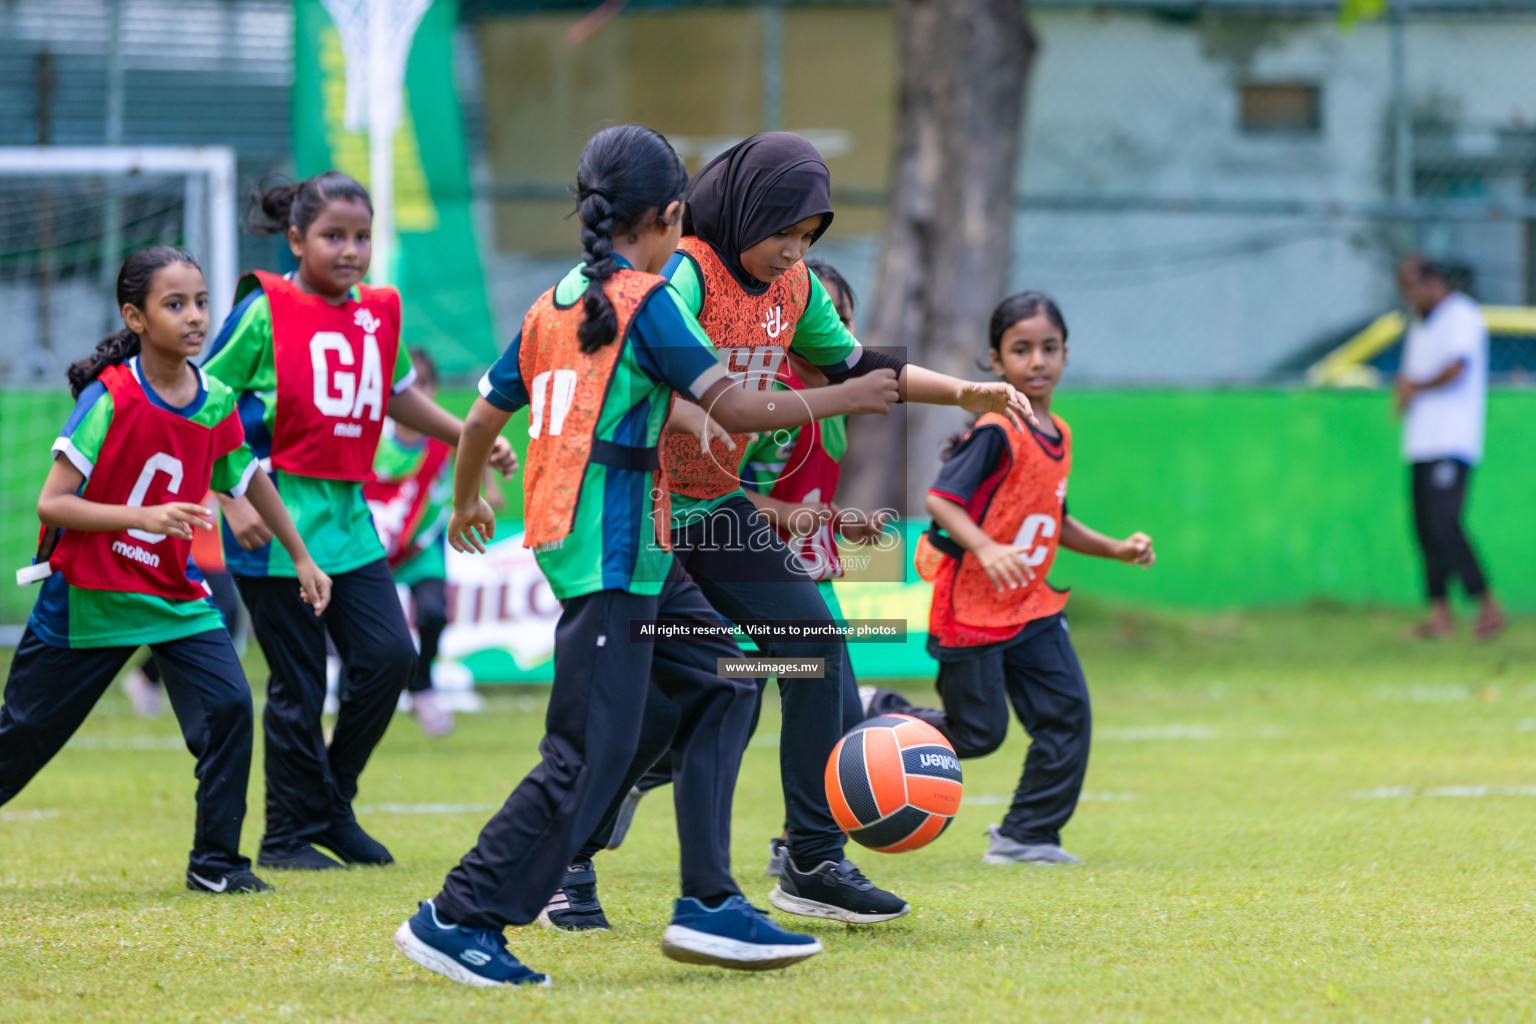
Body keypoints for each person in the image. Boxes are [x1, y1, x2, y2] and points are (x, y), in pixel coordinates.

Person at [391, 124, 900, 987]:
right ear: (671, 215)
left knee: (722, 684)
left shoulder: (552, 300)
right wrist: (849, 392)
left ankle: (708, 902)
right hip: (615, 547)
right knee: (586, 753)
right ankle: (458, 916)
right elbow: (734, 410)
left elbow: (482, 415)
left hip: (618, 543)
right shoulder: (647, 300)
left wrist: (470, 493)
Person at [551, 131, 1035, 930]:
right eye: (787, 232)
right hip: (645, 509)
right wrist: (685, 411)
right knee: (667, 707)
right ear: (747, 210)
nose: (795, 251)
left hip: (715, 512)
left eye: (810, 238)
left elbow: (855, 366)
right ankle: (566, 861)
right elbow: (630, 366)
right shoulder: (683, 271)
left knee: (811, 643)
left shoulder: (797, 290)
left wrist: (964, 393)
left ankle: (811, 859)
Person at [203, 171, 516, 871]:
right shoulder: (266, 311)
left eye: (362, 236)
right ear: (296, 239)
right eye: (332, 236)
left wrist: (469, 434)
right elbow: (201, 403)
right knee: (301, 683)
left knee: (388, 658)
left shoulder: (379, 312)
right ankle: (287, 837)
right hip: (276, 518)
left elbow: (399, 398)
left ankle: (330, 802)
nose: (349, 250)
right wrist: (230, 497)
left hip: (347, 521)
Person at [0, 246, 331, 895]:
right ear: (136, 316)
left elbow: (248, 477)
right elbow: (53, 501)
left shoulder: (216, 400)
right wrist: (142, 517)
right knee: (23, 738)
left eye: (201, 302)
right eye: (174, 304)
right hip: (90, 595)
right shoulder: (111, 398)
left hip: (172, 594)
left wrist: (301, 555)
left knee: (231, 705)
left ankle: (215, 863)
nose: (195, 316)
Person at [589, 259, 883, 888]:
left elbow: (801, 502)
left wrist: (835, 523)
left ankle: (806, 854)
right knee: (702, 707)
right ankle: (591, 832)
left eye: (843, 324)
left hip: (786, 573)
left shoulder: (831, 409)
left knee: (825, 693)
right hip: (698, 554)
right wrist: (796, 519)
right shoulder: (755, 389)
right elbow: (734, 492)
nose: (827, 341)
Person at [865, 291, 1155, 866]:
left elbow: (1053, 519)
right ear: (997, 362)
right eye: (1021, 349)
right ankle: (878, 709)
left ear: (1066, 355)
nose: (1037, 361)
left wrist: (1114, 550)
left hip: (1031, 607)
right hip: (971, 608)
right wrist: (986, 547)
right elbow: (941, 501)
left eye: (1049, 348)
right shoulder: (998, 429)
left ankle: (1028, 834)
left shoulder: (1060, 435)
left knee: (1066, 712)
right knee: (978, 735)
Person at [1393, 254, 1505, 640]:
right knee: (1424, 528)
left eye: (1412, 287)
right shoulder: (1420, 326)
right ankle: (1439, 613)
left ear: (1433, 281)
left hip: (1451, 438)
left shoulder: (1461, 315)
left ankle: (1488, 604)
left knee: (1446, 524)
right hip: (1421, 440)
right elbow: (1410, 376)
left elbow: (1458, 368)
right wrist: (1404, 393)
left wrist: (1417, 386)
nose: (1409, 296)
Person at [363, 347, 465, 737]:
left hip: (424, 549)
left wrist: (484, 489)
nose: (418, 393)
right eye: (409, 385)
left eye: (425, 383)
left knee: (434, 612)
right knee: (369, 634)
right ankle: (359, 698)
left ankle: (422, 686)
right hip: (377, 549)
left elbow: (469, 464)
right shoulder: (375, 440)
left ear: (436, 389)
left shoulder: (446, 439)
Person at [120, 489, 244, 718]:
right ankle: (150, 677)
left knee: (224, 616)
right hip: (190, 549)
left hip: (215, 552)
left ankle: (151, 677)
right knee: (209, 613)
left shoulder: (231, 460)